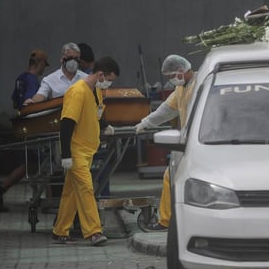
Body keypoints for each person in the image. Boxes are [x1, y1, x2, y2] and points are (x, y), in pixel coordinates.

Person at [52, 56, 120, 246]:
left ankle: (60, 231)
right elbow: (66, 124)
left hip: (88, 149)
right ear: (100, 74)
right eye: (109, 79)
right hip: (76, 151)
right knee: (86, 188)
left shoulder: (96, 90)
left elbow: (96, 113)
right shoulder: (77, 92)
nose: (109, 83)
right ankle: (94, 231)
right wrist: (66, 155)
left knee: (71, 192)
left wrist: (105, 125)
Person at [135, 54, 196, 231]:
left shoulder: (201, 85)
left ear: (181, 71)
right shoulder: (181, 89)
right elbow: (166, 110)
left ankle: (171, 220)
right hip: (186, 143)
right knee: (171, 176)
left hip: (198, 143)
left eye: (171, 76)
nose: (170, 80)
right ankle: (168, 220)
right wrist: (145, 122)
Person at [0, 49, 50, 212]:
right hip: (33, 127)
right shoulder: (33, 81)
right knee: (45, 162)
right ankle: (47, 200)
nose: (44, 69)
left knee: (30, 165)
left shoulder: (21, 78)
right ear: (39, 63)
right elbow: (31, 104)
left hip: (22, 126)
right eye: (44, 65)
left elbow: (16, 103)